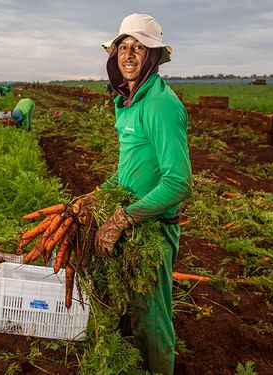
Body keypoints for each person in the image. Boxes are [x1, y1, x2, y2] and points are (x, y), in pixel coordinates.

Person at [92, 13, 193, 374]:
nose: (129, 54)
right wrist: (96, 195)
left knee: (152, 317)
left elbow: (179, 182)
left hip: (153, 228)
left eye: (139, 47)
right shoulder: (128, 101)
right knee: (130, 306)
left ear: (152, 57)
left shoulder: (162, 106)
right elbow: (130, 168)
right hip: (132, 218)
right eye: (123, 46)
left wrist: (121, 218)